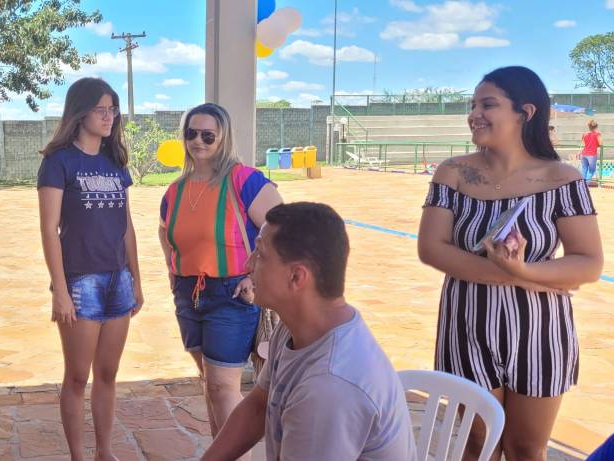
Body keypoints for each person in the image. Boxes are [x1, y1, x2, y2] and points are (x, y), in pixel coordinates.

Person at [418, 66, 603, 460]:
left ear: (526, 112)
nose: (474, 114)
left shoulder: (561, 179)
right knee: (476, 443)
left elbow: (588, 262)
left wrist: (525, 271)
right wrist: (519, 277)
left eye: (488, 105)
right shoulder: (453, 173)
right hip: (466, 326)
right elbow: (432, 248)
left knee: (526, 448)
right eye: (472, 105)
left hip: (540, 331)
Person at [201, 202, 416, 461]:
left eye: (260, 254)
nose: (248, 264)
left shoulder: (330, 384)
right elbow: (258, 406)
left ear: (296, 278)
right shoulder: (295, 330)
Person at [158, 103, 283, 443]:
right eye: (191, 133)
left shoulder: (244, 180)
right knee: (211, 386)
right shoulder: (176, 190)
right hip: (189, 296)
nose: (198, 141)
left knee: (223, 388)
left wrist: (255, 276)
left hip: (231, 294)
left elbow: (283, 229)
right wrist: (172, 267)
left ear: (223, 137)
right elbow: (164, 229)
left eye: (208, 135)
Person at [37, 77, 143, 461]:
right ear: (80, 113)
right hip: (80, 282)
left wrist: (136, 280)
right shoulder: (59, 162)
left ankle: (104, 452)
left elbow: (126, 226)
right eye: (101, 109)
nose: (109, 116)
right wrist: (61, 290)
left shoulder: (115, 161)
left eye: (112, 109)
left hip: (119, 279)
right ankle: (78, 456)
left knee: (108, 374)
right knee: (78, 376)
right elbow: (49, 230)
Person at [579, 119, 603, 185]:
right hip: (592, 154)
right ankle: (586, 184)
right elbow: (601, 144)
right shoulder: (597, 134)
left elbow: (584, 143)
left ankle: (582, 184)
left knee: (584, 169)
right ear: (596, 126)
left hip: (584, 153)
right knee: (592, 170)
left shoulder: (584, 134)